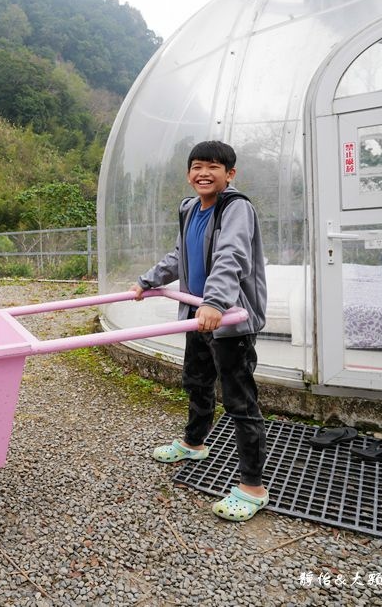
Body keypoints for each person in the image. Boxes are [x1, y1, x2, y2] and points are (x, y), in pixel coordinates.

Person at [127, 140, 269, 521]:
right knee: (197, 381)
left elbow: (232, 255)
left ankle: (252, 487)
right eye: (196, 166)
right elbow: (181, 255)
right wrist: (147, 280)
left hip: (227, 319)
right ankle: (194, 442)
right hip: (198, 315)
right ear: (189, 173)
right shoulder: (190, 208)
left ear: (230, 174)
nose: (203, 173)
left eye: (213, 167)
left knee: (240, 401)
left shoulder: (236, 208)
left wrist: (215, 302)